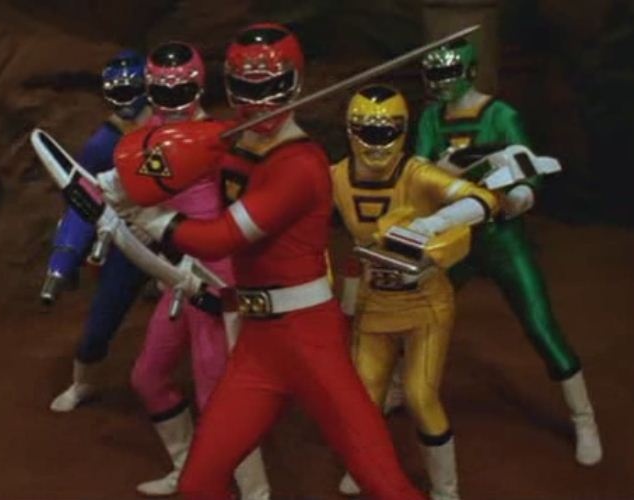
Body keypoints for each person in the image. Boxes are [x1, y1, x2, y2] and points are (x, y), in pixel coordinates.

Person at [109, 23, 423, 499]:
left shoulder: (300, 165)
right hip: (258, 341)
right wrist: (123, 180)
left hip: (309, 340)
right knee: (198, 483)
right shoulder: (230, 142)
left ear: (294, 83)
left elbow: (221, 238)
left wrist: (149, 217)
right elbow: (164, 165)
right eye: (246, 88)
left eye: (271, 87)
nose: (258, 103)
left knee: (384, 483)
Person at [415, 38, 602, 466]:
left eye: (448, 73)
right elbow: (418, 172)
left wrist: (519, 195)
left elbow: (528, 170)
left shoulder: (501, 116)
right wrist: (437, 173)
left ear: (469, 71)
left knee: (538, 323)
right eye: (435, 75)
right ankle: (398, 385)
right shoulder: (431, 118)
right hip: (456, 236)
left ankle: (583, 417)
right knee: (416, 312)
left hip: (500, 236)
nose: (441, 83)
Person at [332, 85, 497, 499]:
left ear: (403, 130)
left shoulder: (416, 173)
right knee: (363, 398)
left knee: (421, 397)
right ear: (351, 131)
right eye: (368, 132)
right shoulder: (334, 177)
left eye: (388, 131)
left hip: (424, 301)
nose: (378, 143)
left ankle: (446, 491)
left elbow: (483, 199)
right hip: (374, 301)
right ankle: (364, 466)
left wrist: (431, 225)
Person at [129, 41, 269, 498]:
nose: (171, 103)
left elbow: (248, 206)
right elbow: (134, 186)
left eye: (180, 92)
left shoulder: (220, 138)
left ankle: (255, 493)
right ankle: (187, 465)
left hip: (214, 277)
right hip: (175, 275)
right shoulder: (147, 133)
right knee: (148, 376)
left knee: (219, 395)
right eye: (161, 93)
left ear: (198, 87)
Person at [46, 50, 153, 412]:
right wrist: (66, 256)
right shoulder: (101, 145)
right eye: (117, 92)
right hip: (129, 236)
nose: (125, 100)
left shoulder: (172, 128)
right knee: (102, 318)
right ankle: (82, 382)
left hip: (178, 231)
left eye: (131, 90)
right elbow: (82, 200)